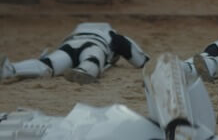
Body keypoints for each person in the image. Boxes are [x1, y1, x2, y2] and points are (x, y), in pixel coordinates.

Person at [0, 53, 218, 140]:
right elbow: (162, 66)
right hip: (42, 128)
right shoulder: (197, 132)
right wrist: (180, 127)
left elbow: (162, 66)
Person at [0, 22, 149, 84]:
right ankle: (83, 71)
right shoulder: (113, 36)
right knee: (92, 59)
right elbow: (137, 57)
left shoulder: (78, 31)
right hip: (96, 44)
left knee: (48, 64)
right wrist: (145, 61)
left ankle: (11, 69)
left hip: (70, 44)